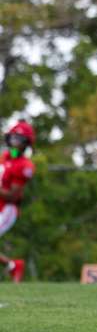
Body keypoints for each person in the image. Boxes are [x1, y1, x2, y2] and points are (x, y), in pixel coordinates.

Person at [0, 120, 35, 283]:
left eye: (19, 139)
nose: (14, 142)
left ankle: (14, 266)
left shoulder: (25, 165)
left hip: (7, 209)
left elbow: (12, 196)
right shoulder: (5, 157)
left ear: (26, 143)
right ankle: (13, 266)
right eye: (13, 138)